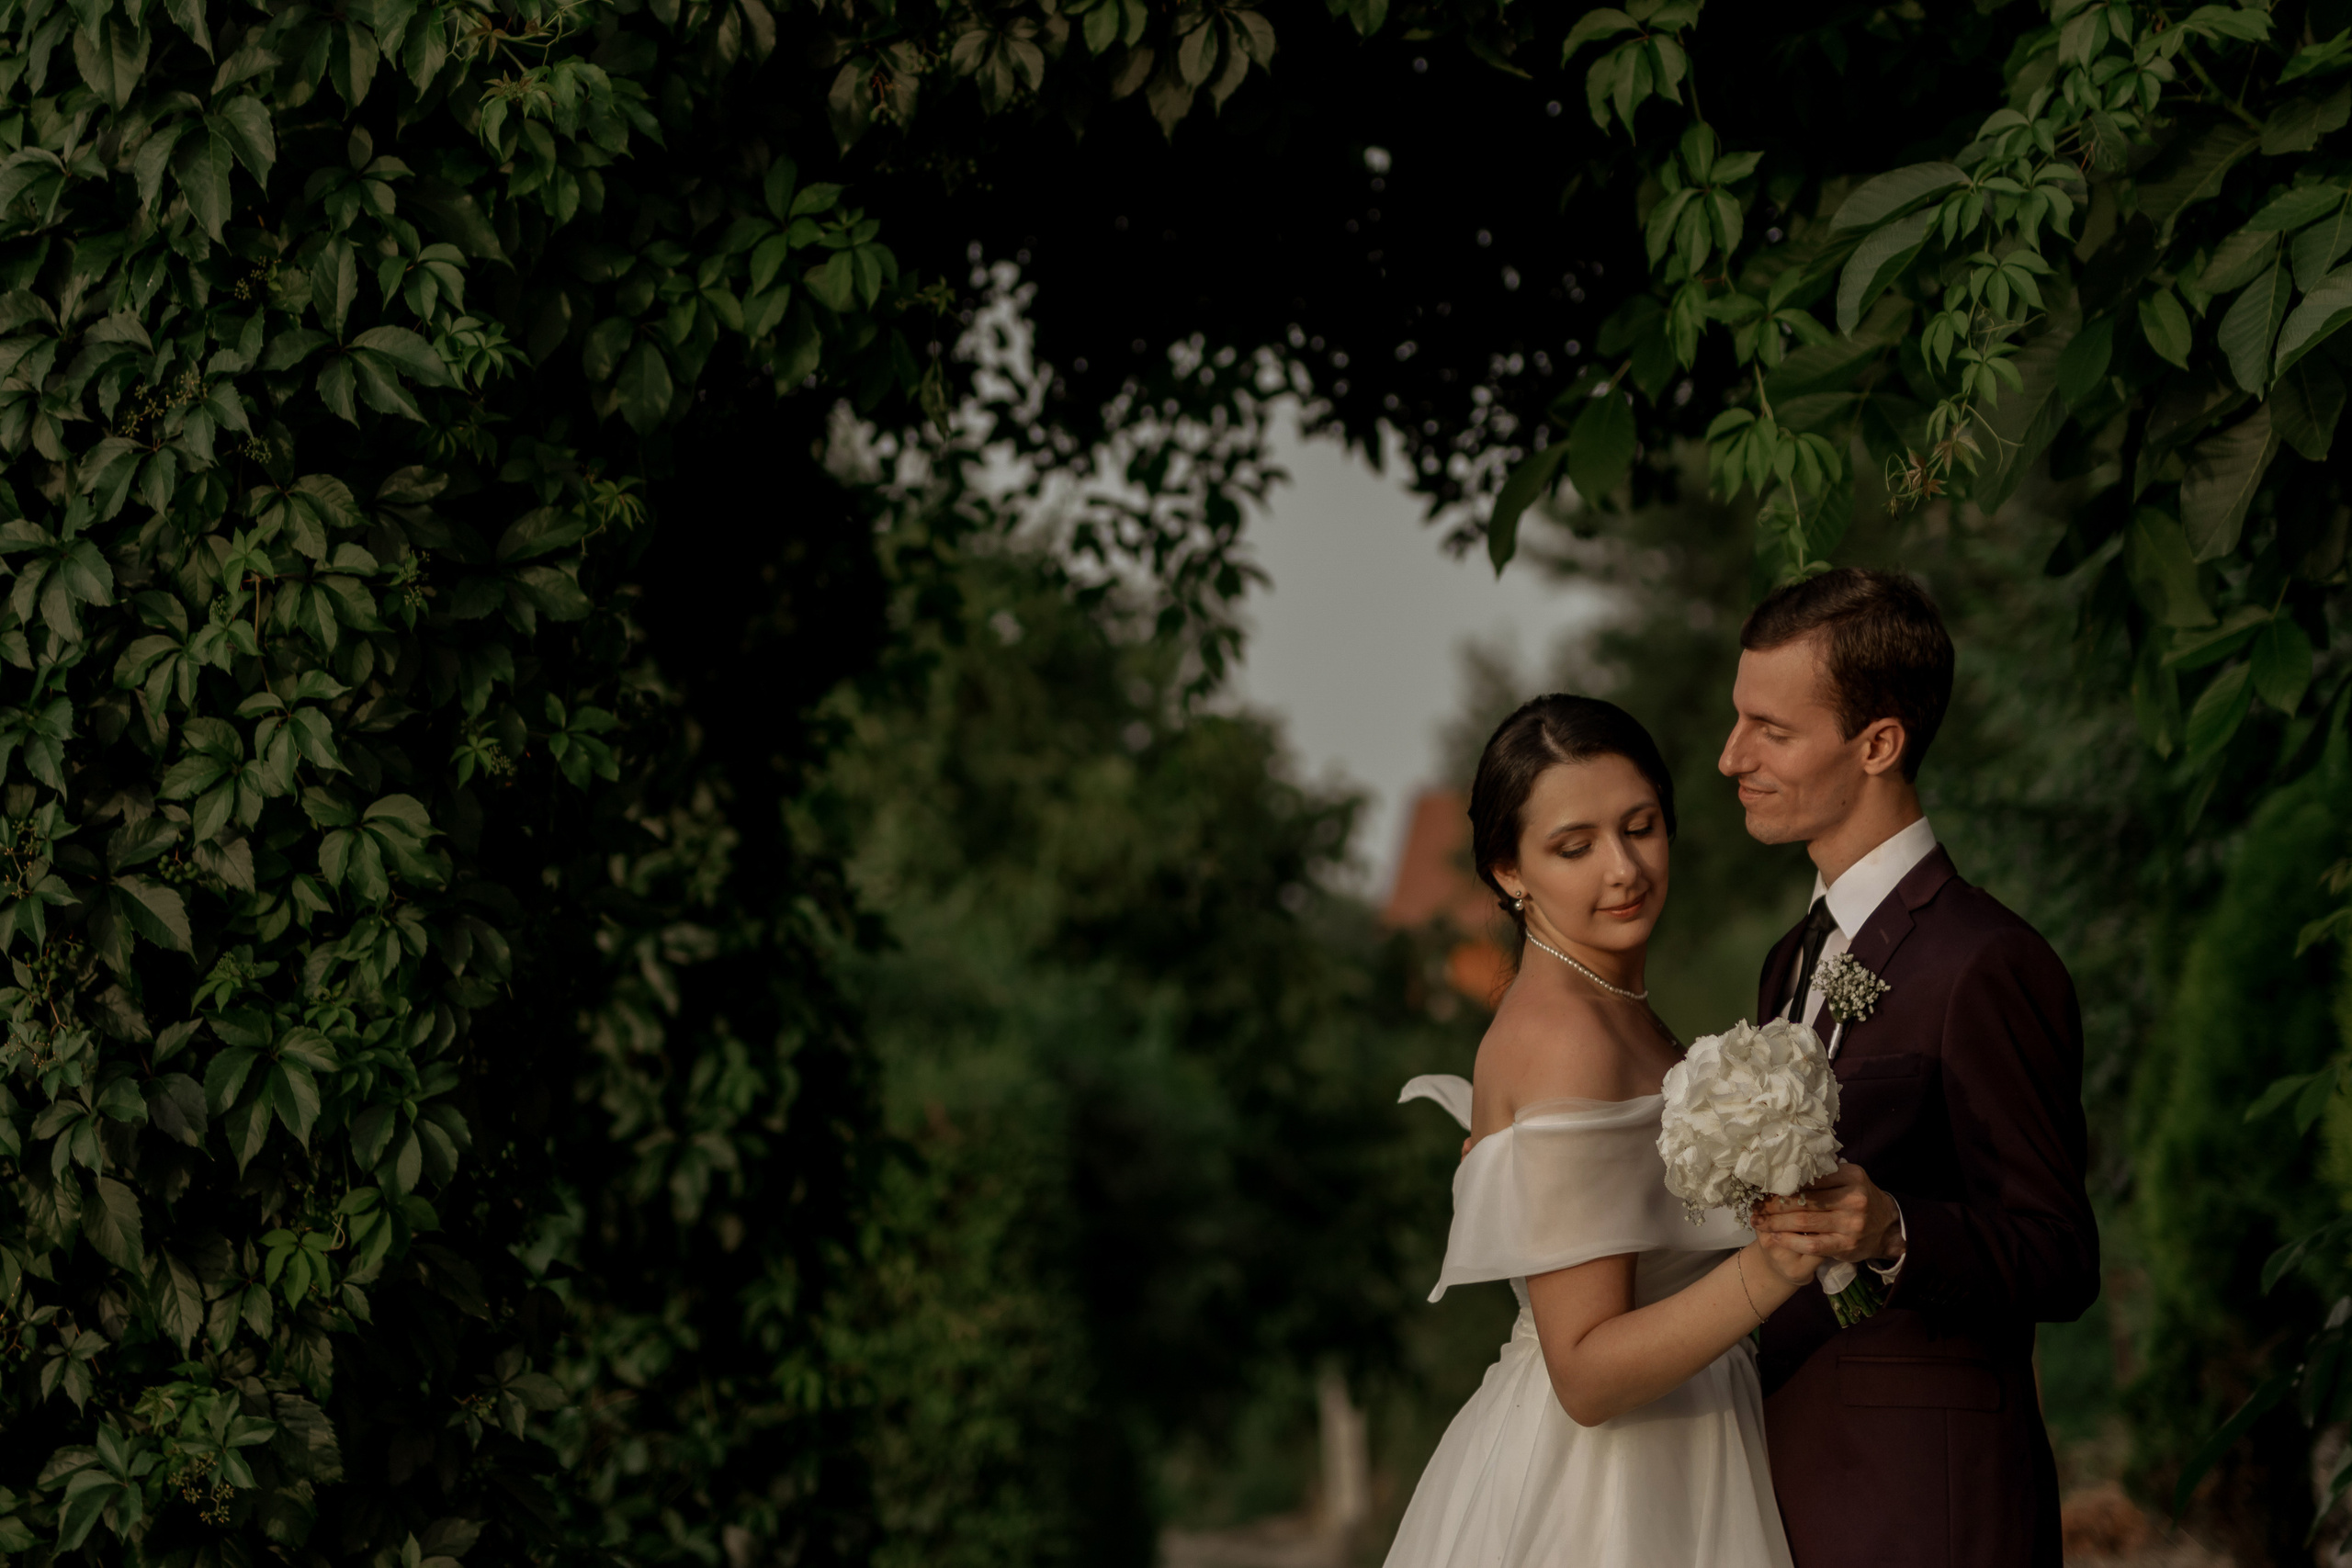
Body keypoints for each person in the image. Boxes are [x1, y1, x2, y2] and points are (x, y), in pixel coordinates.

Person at [1385, 694, 1813, 1568]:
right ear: (1509, 872)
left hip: (1688, 1440)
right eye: (1574, 847)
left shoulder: (1611, 1007)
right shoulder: (1562, 1036)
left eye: (1641, 826)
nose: (1622, 869)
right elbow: (1586, 1373)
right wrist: (1775, 1262)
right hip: (1611, 1488)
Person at [1729, 568, 2098, 1568]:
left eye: (1771, 731)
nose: (1732, 758)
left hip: (1927, 1506)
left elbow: (2061, 1255)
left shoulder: (1986, 962)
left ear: (1878, 743)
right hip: (1788, 1479)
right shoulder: (1789, 957)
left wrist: (1896, 1229)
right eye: (1736, 723)